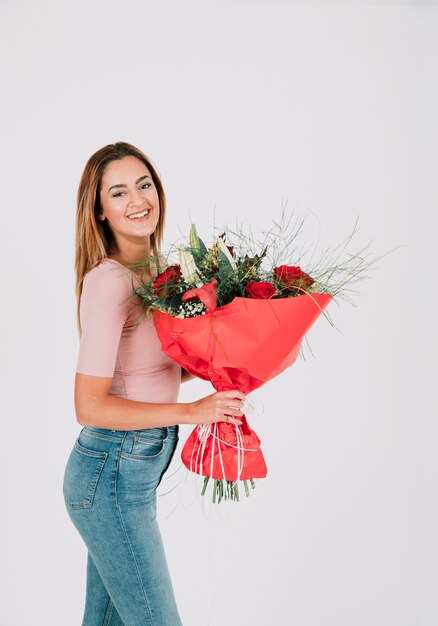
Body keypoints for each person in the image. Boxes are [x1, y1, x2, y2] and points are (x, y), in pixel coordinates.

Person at [63, 141, 245, 626]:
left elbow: (156, 370)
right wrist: (193, 412)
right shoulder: (109, 281)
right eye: (118, 192)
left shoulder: (159, 272)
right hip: (110, 474)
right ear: (100, 211)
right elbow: (89, 406)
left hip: (128, 471)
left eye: (144, 184)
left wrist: (230, 359)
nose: (137, 199)